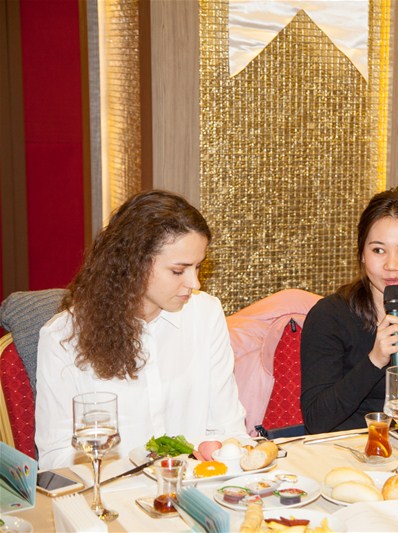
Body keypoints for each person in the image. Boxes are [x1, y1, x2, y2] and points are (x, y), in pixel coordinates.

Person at [35, 190, 246, 469]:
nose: (194, 283)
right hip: (112, 491)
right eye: (178, 270)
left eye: (198, 267)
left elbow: (230, 428)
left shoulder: (205, 313)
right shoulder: (63, 337)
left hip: (195, 485)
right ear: (134, 263)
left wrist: (224, 450)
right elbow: (55, 459)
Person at [300, 182, 398, 433]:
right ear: (362, 253)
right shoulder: (329, 316)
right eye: (378, 250)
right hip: (344, 447)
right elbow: (316, 419)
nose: (391, 265)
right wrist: (374, 360)